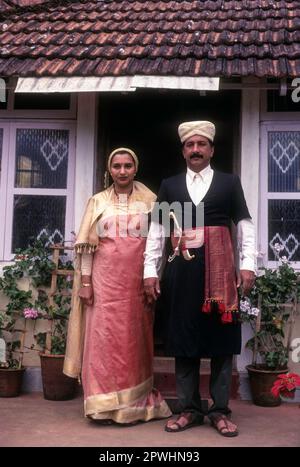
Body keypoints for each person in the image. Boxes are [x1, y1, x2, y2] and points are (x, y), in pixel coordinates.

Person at [144, 121, 256, 437]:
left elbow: (245, 224)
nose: (196, 150)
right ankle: (189, 409)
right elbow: (157, 230)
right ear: (183, 151)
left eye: (201, 144)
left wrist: (247, 265)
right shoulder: (170, 185)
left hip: (221, 274)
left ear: (211, 150)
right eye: (190, 145)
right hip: (182, 272)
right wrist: (150, 271)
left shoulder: (229, 183)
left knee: (221, 342)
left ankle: (219, 411)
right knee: (183, 340)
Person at [64, 147, 171, 424]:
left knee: (133, 342)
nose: (122, 171)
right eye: (117, 166)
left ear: (136, 169)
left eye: (127, 166)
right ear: (109, 170)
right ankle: (101, 406)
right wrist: (86, 282)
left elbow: (158, 243)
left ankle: (134, 407)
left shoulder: (151, 201)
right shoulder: (97, 201)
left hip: (136, 285)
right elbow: (87, 246)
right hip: (103, 284)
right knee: (103, 341)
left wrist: (153, 277)